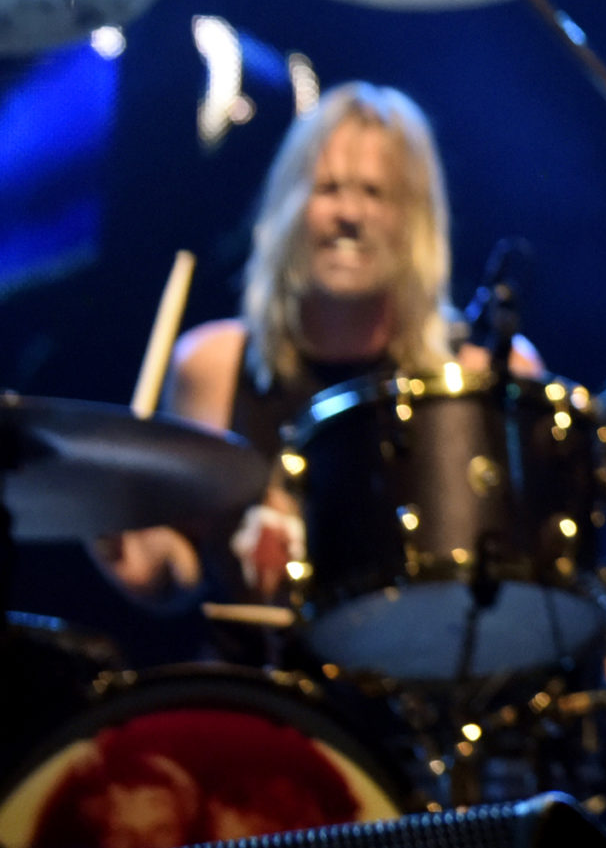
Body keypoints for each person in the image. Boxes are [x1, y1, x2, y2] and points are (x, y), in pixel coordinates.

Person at [95, 81, 537, 607]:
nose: (349, 214)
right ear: (288, 206)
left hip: (424, 680)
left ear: (416, 221)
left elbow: (540, 580)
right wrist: (146, 564)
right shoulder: (212, 366)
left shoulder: (486, 376)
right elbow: (186, 564)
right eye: (328, 188)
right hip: (255, 684)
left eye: (375, 193)